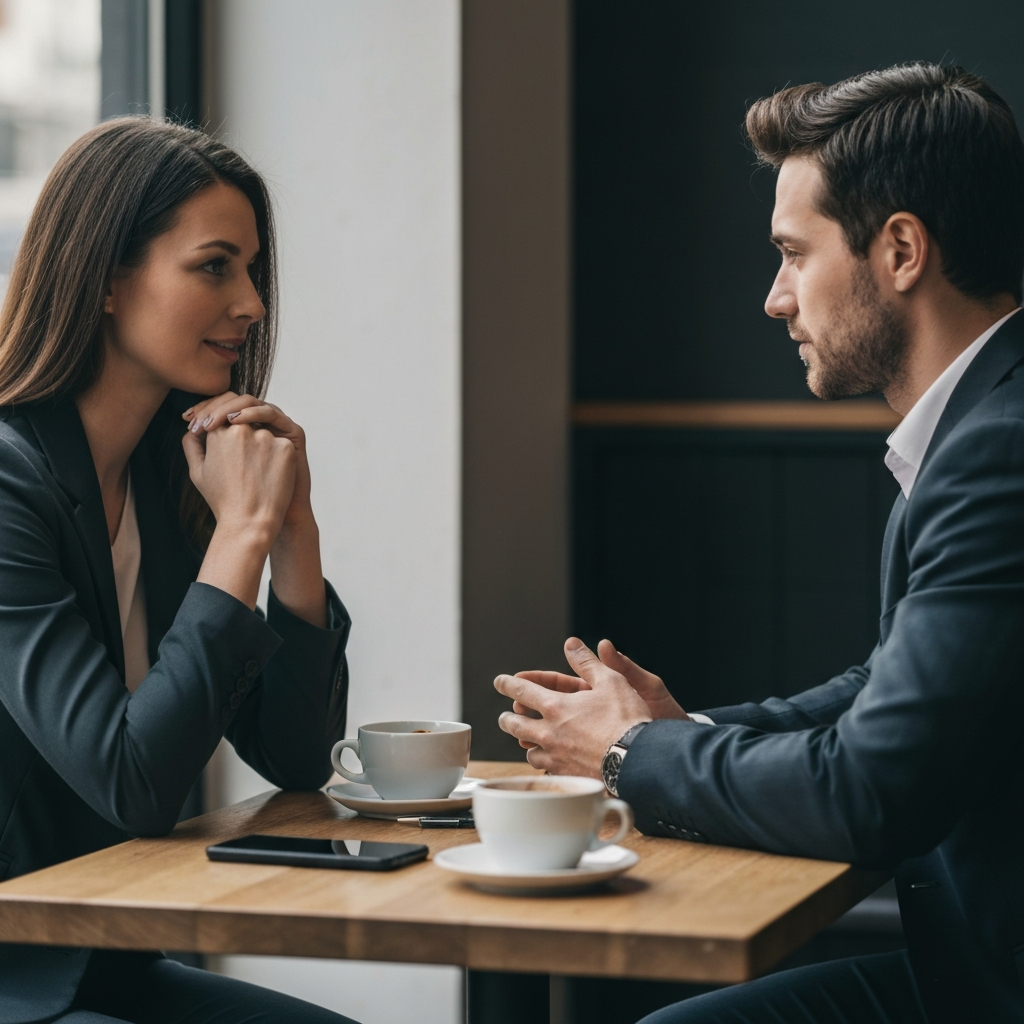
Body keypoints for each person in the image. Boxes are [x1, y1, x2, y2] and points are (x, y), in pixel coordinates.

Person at [495, 62, 1024, 1023]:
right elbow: (887, 688)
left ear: (901, 248)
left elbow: (873, 791)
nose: (776, 299)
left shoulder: (1000, 450)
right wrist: (679, 735)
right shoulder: (985, 421)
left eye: (793, 253)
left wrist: (629, 754)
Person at [0, 118, 359, 1024]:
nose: (252, 303)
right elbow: (132, 782)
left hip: (96, 959)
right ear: (110, 278)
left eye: (252, 270)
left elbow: (297, 757)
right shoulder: (8, 485)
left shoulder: (171, 477)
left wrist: (291, 534)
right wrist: (240, 531)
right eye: (214, 266)